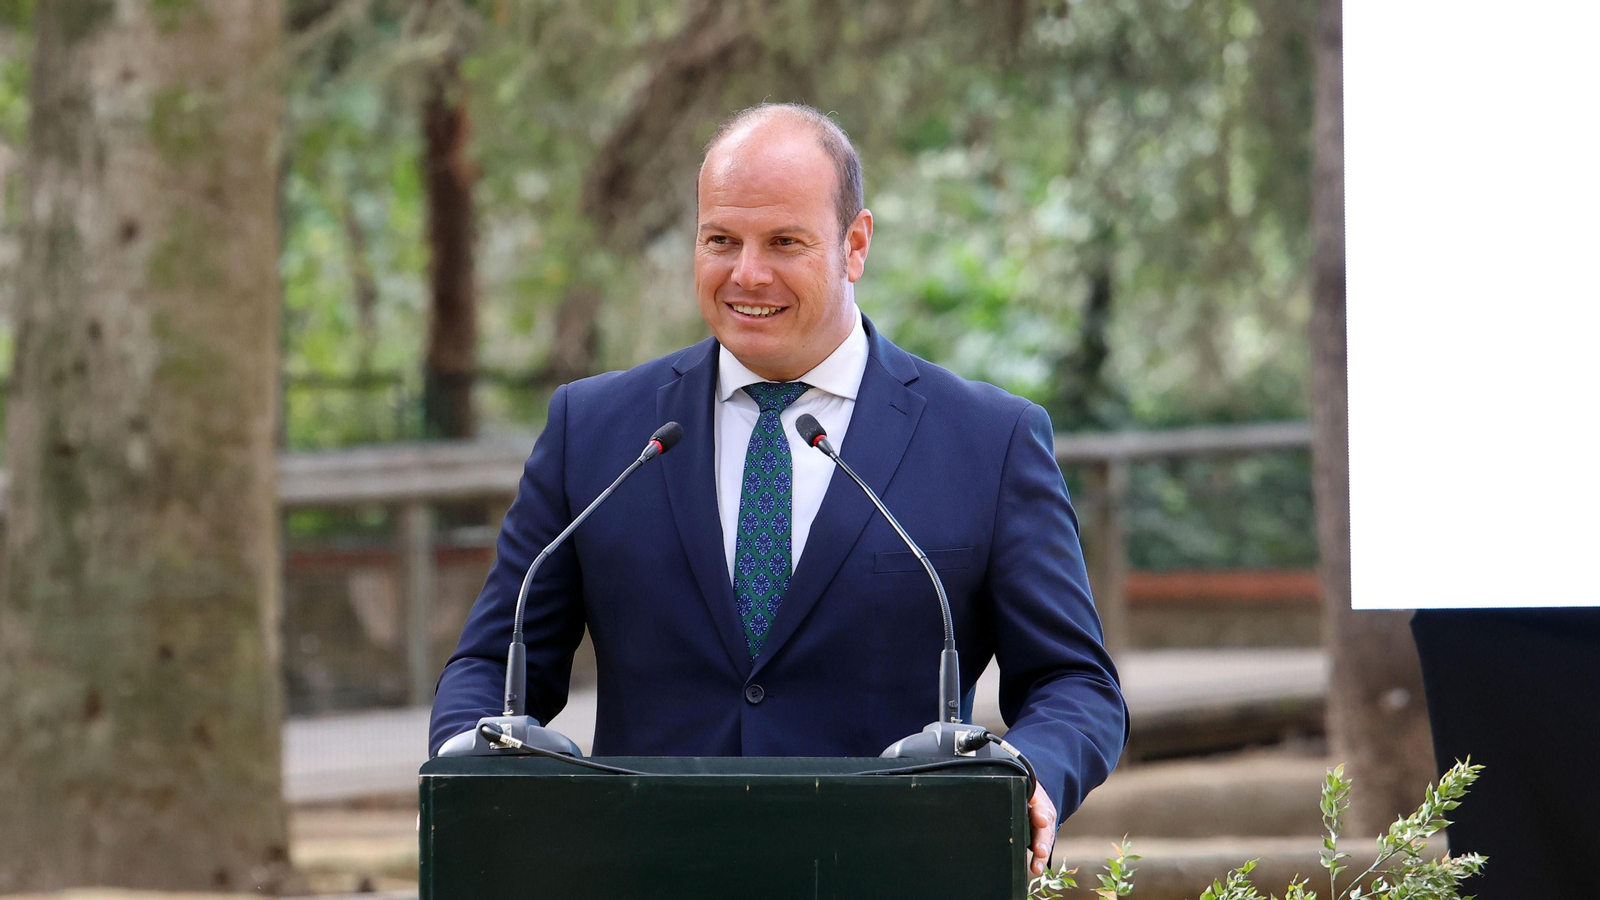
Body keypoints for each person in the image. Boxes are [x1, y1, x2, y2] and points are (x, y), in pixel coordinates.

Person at [430, 103, 1128, 875]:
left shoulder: (989, 441)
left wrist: (1031, 777)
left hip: (892, 871)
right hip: (646, 872)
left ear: (855, 245)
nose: (747, 274)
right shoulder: (594, 431)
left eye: (784, 242)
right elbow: (493, 663)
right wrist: (466, 765)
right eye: (720, 240)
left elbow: (1074, 682)